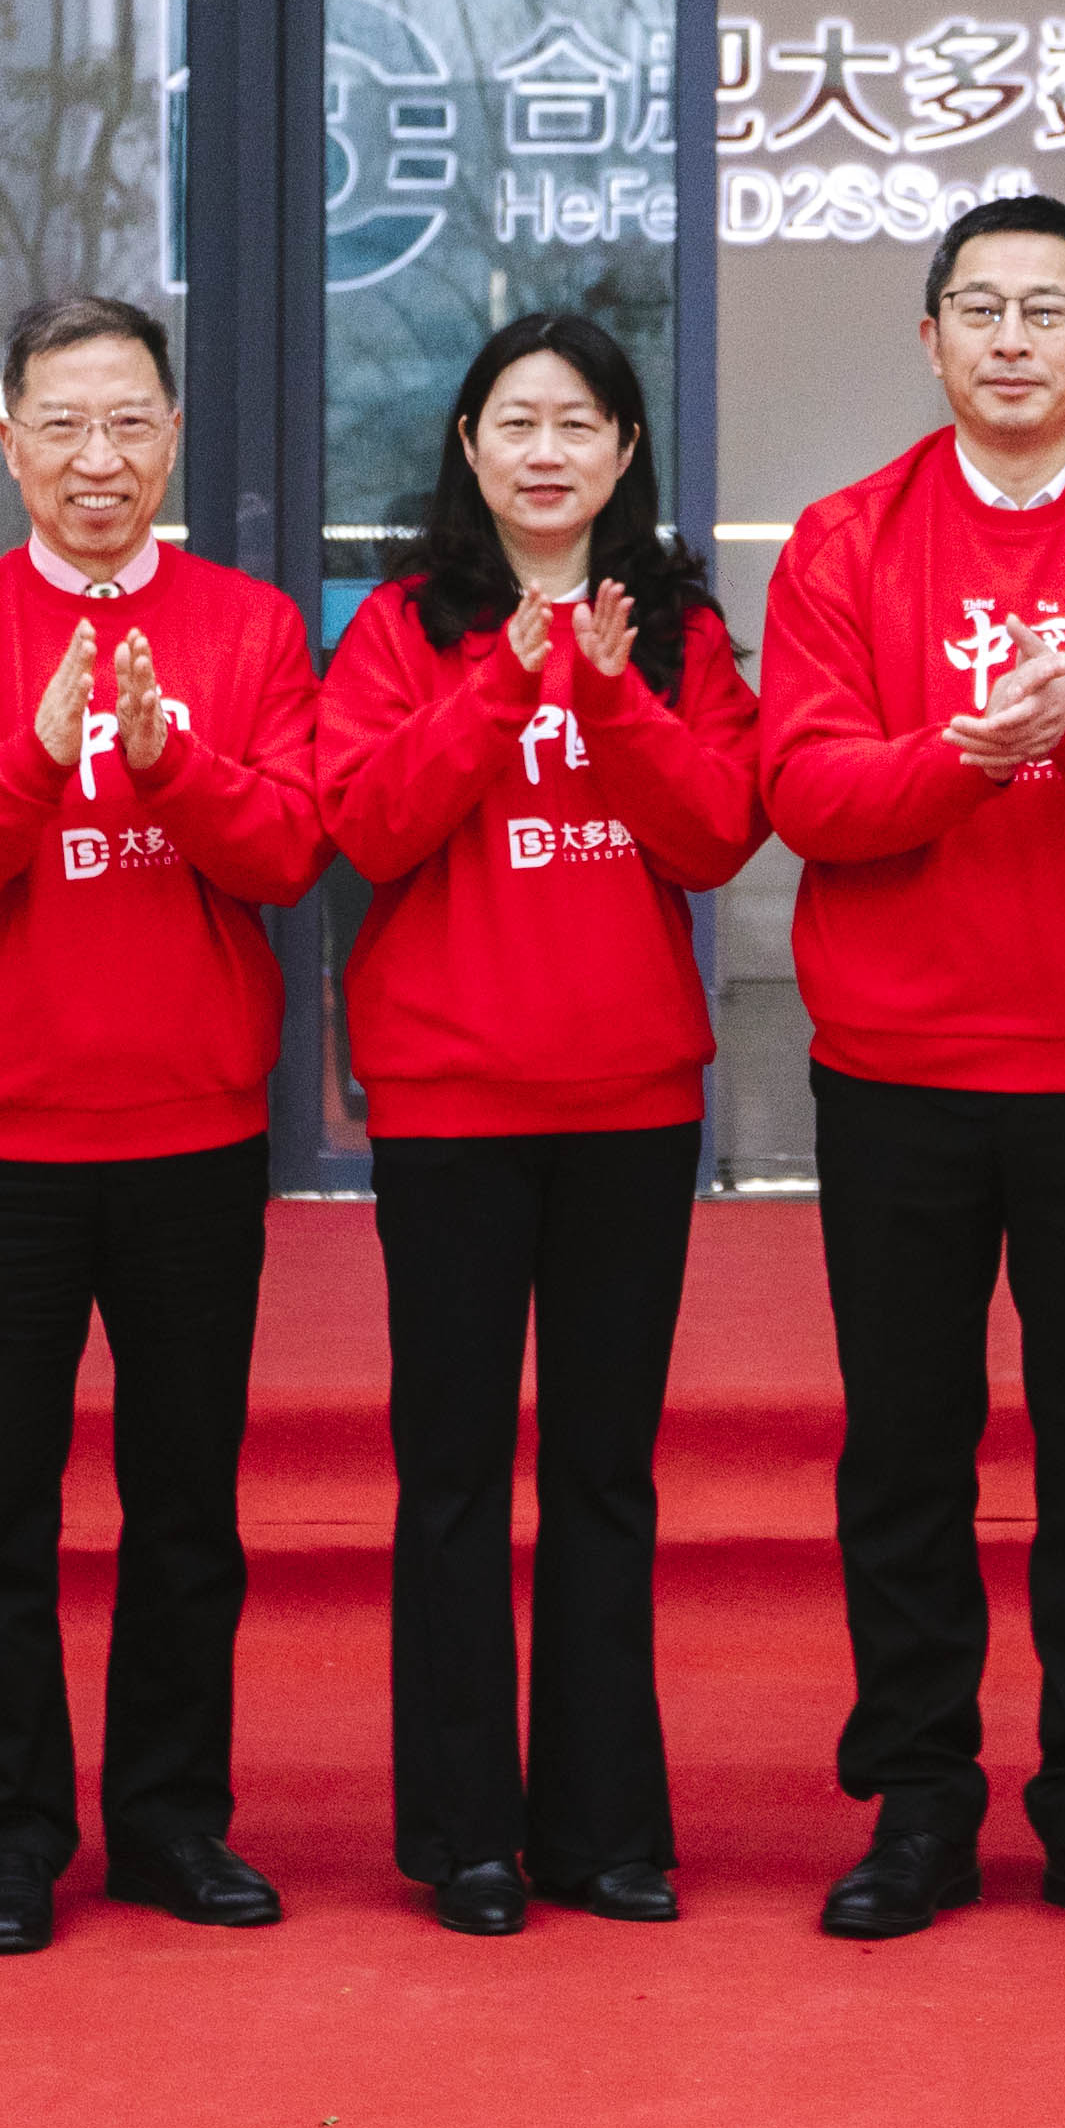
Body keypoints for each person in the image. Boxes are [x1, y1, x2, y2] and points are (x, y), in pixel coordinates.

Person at [755, 194, 1065, 1946]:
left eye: (1050, 310)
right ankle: (918, 1799)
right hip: (897, 1063)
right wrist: (970, 759)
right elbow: (805, 794)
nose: (1013, 338)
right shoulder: (844, 541)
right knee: (906, 1446)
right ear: (930, 340)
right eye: (980, 307)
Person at [0, 291, 328, 1956]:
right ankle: (6, 1839)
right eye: (62, 424)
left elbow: (290, 849)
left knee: (186, 1507)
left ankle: (173, 1822)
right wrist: (33, 763)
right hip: (1, 1142)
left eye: (128, 423)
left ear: (172, 439)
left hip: (192, 1133)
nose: (97, 458)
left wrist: (169, 766)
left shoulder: (249, 630)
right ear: (11, 445)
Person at [311, 312, 759, 1933]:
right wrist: (504, 681)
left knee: (603, 1474)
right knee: (450, 1472)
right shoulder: (397, 630)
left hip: (630, 1098)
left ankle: (604, 1829)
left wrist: (614, 696)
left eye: (580, 422)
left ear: (625, 451)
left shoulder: (682, 633)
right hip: (453, 1100)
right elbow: (365, 822)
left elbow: (717, 833)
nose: (548, 450)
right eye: (517, 421)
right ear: (469, 446)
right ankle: (466, 1837)